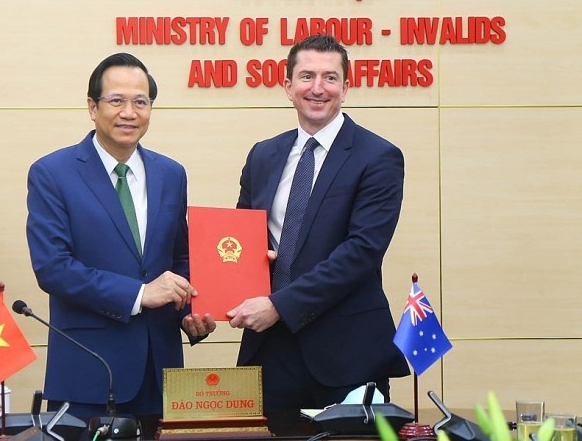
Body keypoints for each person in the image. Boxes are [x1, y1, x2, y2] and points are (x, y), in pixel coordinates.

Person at [26, 53, 216, 421]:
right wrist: (141, 294)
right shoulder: (53, 173)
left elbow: (180, 259)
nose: (129, 112)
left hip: (160, 373)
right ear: (92, 107)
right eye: (116, 101)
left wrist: (193, 313)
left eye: (140, 102)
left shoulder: (172, 174)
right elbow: (54, 268)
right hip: (90, 373)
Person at [226, 34, 409, 412]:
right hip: (270, 350)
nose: (318, 88)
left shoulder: (378, 157)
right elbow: (240, 242)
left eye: (330, 77)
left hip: (346, 352)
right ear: (288, 86)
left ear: (346, 87)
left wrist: (280, 304)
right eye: (307, 76)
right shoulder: (263, 155)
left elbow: (360, 253)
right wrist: (214, 300)